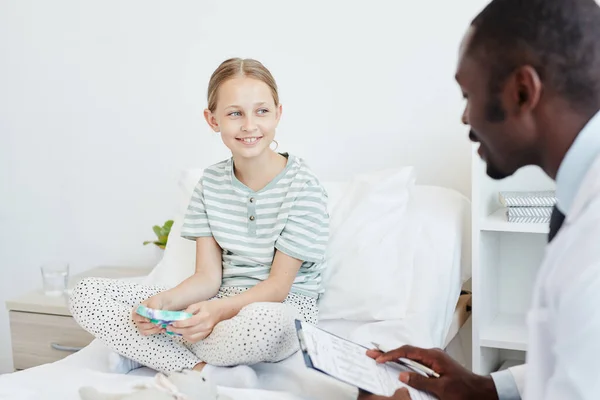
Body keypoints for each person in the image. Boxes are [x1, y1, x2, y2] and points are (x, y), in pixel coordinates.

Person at [359, 0, 600, 399]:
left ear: (522, 92)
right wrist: (486, 388)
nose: (465, 117)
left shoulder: (593, 244)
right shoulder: (581, 199)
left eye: (468, 94)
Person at [69, 58, 330, 389]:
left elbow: (278, 287)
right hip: (217, 299)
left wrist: (216, 312)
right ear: (213, 119)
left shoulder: (304, 187)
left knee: (261, 323)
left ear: (278, 113)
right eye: (235, 113)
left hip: (277, 308)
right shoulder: (210, 183)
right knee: (87, 293)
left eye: (261, 111)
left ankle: (152, 348)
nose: (250, 125)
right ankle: (202, 366)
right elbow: (207, 277)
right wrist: (166, 303)